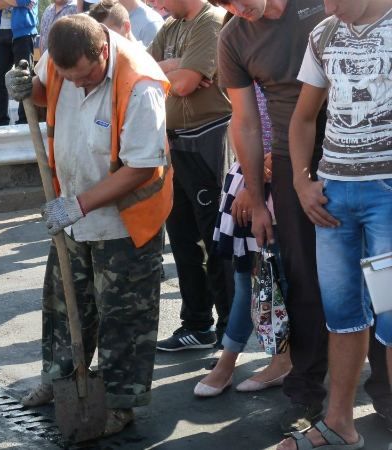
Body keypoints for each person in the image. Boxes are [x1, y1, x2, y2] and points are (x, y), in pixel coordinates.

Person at [210, 0, 391, 434]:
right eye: (223, 4)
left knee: (383, 290)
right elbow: (246, 122)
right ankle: (308, 396)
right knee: (309, 282)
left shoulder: (324, 6)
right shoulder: (234, 38)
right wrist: (260, 199)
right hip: (301, 163)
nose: (236, 8)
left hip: (373, 159)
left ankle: (385, 396)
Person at [5, 13, 172, 436]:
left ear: (102, 51)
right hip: (73, 210)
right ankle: (59, 378)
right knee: (64, 304)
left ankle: (119, 402)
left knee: (123, 317)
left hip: (126, 221)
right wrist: (27, 88)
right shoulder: (62, 59)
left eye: (85, 76)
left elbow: (141, 167)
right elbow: (44, 92)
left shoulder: (141, 84)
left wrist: (78, 205)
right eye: (68, 78)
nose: (77, 85)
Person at [276, 1, 392, 449]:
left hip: (386, 197)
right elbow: (303, 117)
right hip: (333, 198)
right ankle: (340, 423)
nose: (330, 6)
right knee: (342, 316)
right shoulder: (324, 33)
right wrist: (301, 182)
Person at [194, 81, 292, 397]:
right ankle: (234, 362)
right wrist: (251, 179)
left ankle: (279, 360)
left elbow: (293, 128)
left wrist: (255, 183)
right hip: (249, 178)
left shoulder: (290, 64)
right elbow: (239, 124)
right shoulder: (244, 65)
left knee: (276, 281)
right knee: (250, 280)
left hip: (282, 180)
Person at [147, 0, 233, 352]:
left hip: (207, 139)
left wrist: (171, 71)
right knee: (183, 239)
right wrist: (176, 65)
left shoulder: (210, 21)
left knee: (217, 241)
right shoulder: (171, 26)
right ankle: (197, 324)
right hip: (175, 142)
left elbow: (182, 85)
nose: (156, 3)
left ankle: (229, 333)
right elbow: (140, 73)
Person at [0, 0, 37, 126]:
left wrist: (7, 2)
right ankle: (1, 122)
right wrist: (16, 3)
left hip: (23, 32)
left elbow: (24, 1)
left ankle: (24, 120)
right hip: (1, 33)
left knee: (24, 78)